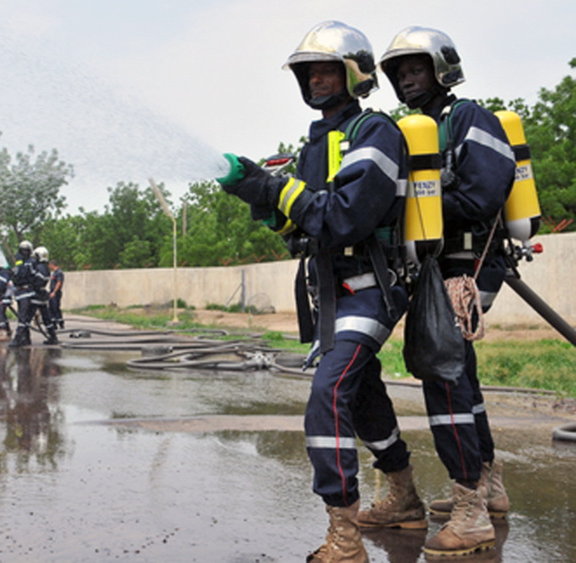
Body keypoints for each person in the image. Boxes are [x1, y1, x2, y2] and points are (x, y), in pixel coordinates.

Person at [217, 21, 420, 562]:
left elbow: (345, 218)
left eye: (327, 70)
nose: (316, 80)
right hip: (332, 290)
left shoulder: (375, 132)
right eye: (308, 73)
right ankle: (403, 494)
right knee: (363, 396)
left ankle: (345, 538)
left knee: (327, 396)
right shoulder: (315, 147)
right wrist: (258, 197)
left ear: (354, 74)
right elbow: (303, 229)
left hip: (371, 287)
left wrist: (274, 187)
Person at [379, 27, 514, 557]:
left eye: (416, 68)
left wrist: (411, 204)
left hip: (469, 266)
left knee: (443, 373)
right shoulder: (413, 131)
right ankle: (488, 487)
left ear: (442, 69)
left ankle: (470, 510)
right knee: (462, 376)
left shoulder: (468, 118)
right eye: (400, 73)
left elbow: (483, 195)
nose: (407, 80)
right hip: (438, 270)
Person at [28, 247, 59, 346]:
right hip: (42, 295)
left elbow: (36, 281)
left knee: (27, 318)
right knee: (46, 318)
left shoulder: (39, 267)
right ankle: (53, 337)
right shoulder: (45, 268)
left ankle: (23, 337)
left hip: (36, 295)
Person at [9, 241, 35, 347]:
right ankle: (26, 338)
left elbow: (31, 276)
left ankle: (18, 337)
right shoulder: (19, 262)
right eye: (22, 250)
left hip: (27, 292)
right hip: (20, 292)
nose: (24, 252)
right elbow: (17, 274)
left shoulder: (31, 262)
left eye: (26, 250)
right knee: (24, 317)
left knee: (23, 317)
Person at [48, 259, 65, 329]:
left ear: (52, 265)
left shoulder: (59, 273)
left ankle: (60, 323)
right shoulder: (54, 273)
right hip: (52, 291)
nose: (49, 267)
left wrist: (54, 292)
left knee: (55, 308)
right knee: (51, 308)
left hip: (56, 292)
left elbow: (59, 283)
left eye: (50, 265)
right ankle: (53, 323)